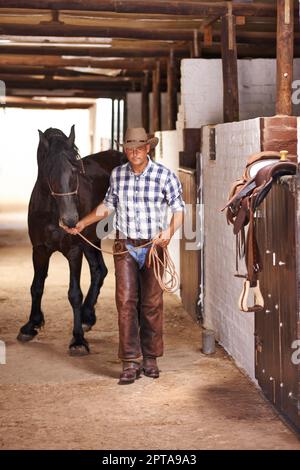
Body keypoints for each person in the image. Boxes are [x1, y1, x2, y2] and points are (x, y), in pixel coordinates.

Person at [63, 128, 185, 384]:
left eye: (138, 149)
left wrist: (169, 233)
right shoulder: (118, 175)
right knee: (126, 302)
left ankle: (150, 358)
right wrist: (83, 224)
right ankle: (130, 361)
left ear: (148, 148)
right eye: (129, 149)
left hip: (154, 246)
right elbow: (107, 206)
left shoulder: (165, 176)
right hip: (125, 246)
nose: (133, 153)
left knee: (151, 303)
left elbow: (178, 210)